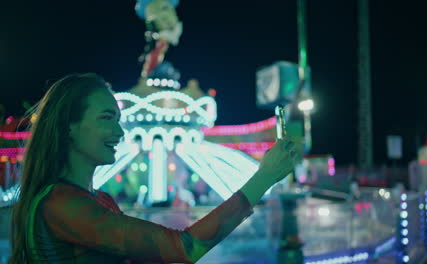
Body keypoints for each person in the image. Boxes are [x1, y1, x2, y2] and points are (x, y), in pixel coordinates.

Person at [8, 73, 298, 264]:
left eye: (119, 120)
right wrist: (264, 177)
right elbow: (182, 249)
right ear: (67, 127)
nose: (119, 133)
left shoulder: (98, 200)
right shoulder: (62, 205)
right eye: (106, 118)